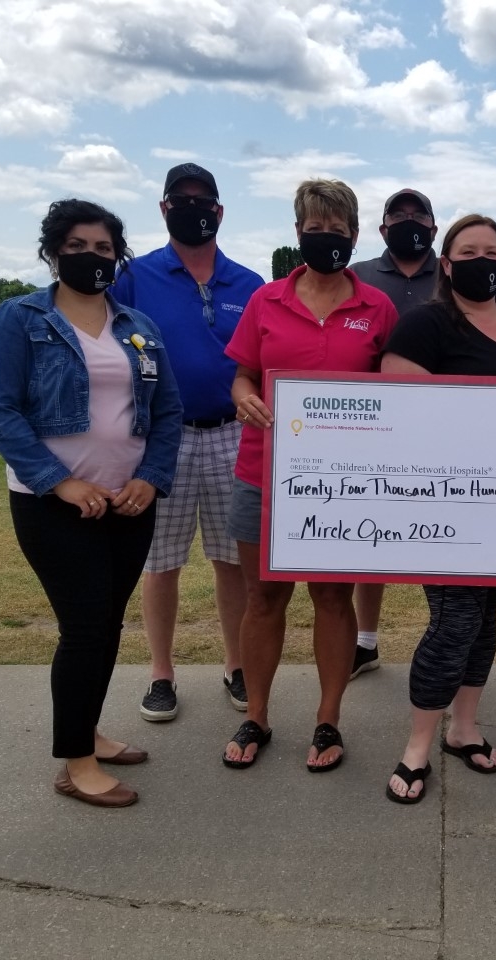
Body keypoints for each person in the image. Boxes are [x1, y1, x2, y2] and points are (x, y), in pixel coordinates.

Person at [0, 199, 183, 807]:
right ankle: (76, 763)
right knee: (86, 627)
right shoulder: (21, 319)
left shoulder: (136, 324)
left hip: (127, 502)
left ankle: (85, 727)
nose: (90, 256)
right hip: (55, 505)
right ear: (53, 250)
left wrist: (152, 478)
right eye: (77, 245)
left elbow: (165, 411)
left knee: (105, 625)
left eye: (102, 247)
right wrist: (60, 481)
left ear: (118, 255)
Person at [221, 178, 398, 772]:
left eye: (337, 228)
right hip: (261, 473)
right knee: (264, 597)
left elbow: (396, 391)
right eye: (314, 228)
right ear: (298, 232)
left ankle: (328, 720)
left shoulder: (377, 306)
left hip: (342, 482)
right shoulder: (266, 300)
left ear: (353, 233)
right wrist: (244, 396)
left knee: (330, 595)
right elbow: (243, 374)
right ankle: (258, 715)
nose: (326, 237)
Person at [380, 214, 496, 803]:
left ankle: (464, 728)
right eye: (469, 251)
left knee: (484, 619)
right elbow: (400, 420)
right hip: (448, 507)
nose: (484, 260)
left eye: (494, 250)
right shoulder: (423, 326)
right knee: (453, 620)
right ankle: (417, 747)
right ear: (447, 264)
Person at [112, 163, 265, 723]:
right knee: (162, 563)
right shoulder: (135, 277)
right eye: (182, 199)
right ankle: (161, 673)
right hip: (163, 439)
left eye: (204, 200)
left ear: (220, 212)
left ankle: (236, 664)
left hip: (232, 434)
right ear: (164, 208)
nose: (193, 208)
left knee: (233, 562)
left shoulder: (248, 284)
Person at [345, 188, 440, 681]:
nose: (408, 221)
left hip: (442, 427)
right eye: (397, 215)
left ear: (433, 225)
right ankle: (365, 641)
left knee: (441, 533)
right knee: (370, 534)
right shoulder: (357, 275)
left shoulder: (451, 273)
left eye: (417, 214)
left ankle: (448, 636)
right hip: (373, 425)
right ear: (382, 230)